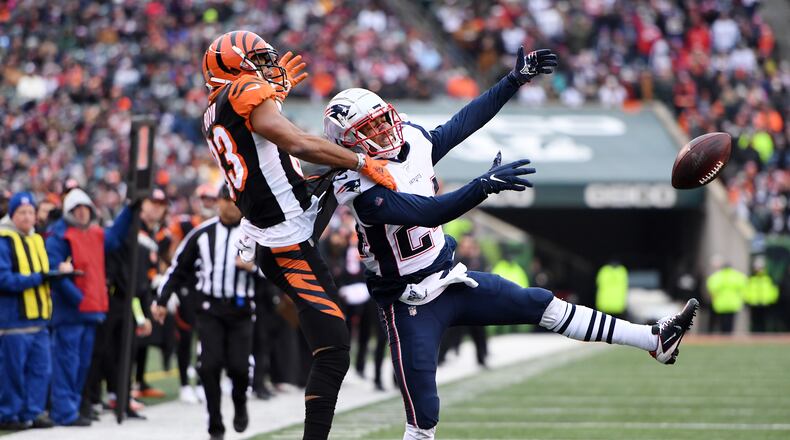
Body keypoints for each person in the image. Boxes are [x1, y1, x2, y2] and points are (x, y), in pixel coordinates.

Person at [323, 46, 699, 439]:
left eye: (382, 120)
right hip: (409, 303)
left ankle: (654, 339)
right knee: (424, 418)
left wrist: (513, 80)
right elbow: (427, 213)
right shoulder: (360, 187)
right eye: (368, 130)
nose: (384, 131)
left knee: (540, 302)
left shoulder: (413, 141)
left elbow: (463, 122)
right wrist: (481, 186)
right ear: (347, 144)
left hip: (451, 279)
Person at [199, 30, 397, 440]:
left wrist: (271, 94)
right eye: (257, 59)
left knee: (351, 181)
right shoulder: (242, 90)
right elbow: (294, 142)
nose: (267, 67)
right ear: (235, 65)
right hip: (285, 235)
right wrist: (361, 161)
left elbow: (260, 143)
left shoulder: (216, 108)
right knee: (334, 348)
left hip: (286, 218)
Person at [152, 186, 258, 440]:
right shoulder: (202, 233)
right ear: (219, 203)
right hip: (210, 308)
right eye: (226, 201)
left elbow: (273, 270)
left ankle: (239, 402)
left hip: (242, 309)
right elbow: (178, 268)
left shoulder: (255, 234)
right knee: (209, 366)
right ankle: (215, 423)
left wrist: (252, 267)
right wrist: (162, 300)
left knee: (240, 368)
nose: (230, 206)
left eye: (235, 201)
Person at [45, 188, 133, 426]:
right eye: (77, 209)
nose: (83, 213)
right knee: (67, 363)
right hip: (71, 312)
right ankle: (65, 412)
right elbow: (55, 273)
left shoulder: (95, 234)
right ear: (69, 211)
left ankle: (73, 408)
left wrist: (129, 209)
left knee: (82, 364)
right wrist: (78, 298)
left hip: (91, 311)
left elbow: (114, 237)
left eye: (86, 208)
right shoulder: (59, 236)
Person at [0, 192, 64, 430]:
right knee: (12, 372)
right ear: (12, 214)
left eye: (31, 212)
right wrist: (38, 278)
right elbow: (3, 279)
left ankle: (33, 411)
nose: (27, 217)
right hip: (12, 320)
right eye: (22, 212)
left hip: (39, 319)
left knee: (41, 370)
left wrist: (57, 272)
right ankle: (8, 413)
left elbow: (43, 273)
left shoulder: (37, 239)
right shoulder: (3, 240)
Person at [706, 257, 747, 334]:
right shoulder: (737, 276)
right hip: (733, 303)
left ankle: (723, 337)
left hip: (720, 304)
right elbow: (744, 286)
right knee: (730, 323)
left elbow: (710, 287)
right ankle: (729, 337)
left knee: (722, 323)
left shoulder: (717, 276)